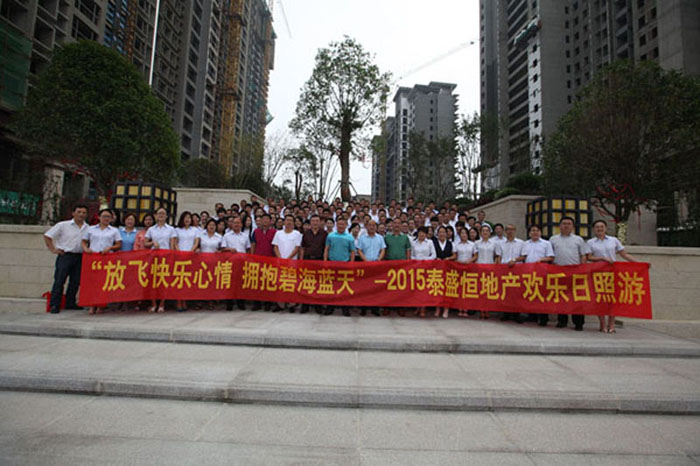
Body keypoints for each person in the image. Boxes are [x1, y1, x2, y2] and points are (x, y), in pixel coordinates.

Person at [587, 219, 638, 333]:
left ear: (606, 228)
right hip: (598, 273)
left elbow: (624, 254)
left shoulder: (613, 240)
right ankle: (602, 323)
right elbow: (589, 257)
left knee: (612, 299)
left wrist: (638, 263)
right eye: (597, 227)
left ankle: (611, 324)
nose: (599, 229)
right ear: (594, 229)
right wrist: (602, 258)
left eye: (602, 227)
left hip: (612, 273)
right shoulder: (590, 242)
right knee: (600, 299)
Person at [43, 204, 89, 314]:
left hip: (80, 257)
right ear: (73, 213)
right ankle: (55, 304)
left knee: (75, 281)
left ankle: (70, 302)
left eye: (84, 213)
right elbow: (47, 236)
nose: (81, 215)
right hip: (65, 255)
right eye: (79, 212)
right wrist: (53, 249)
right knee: (59, 280)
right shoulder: (63, 225)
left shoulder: (88, 228)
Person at [550, 216, 589, 331]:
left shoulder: (578, 239)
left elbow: (583, 255)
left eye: (569, 224)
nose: (566, 226)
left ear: (573, 226)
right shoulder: (553, 239)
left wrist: (582, 268)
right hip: (559, 271)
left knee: (577, 298)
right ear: (559, 226)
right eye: (564, 223)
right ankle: (562, 320)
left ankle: (578, 322)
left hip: (575, 272)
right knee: (561, 297)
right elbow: (550, 255)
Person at [81, 208, 122, 314]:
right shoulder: (91, 229)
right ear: (99, 217)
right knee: (92, 282)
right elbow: (84, 241)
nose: (106, 219)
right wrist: (86, 249)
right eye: (104, 216)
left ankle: (100, 305)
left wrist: (110, 248)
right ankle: (91, 305)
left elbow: (118, 244)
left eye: (108, 217)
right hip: (93, 258)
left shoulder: (114, 230)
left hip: (107, 258)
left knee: (103, 282)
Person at [521, 225, 555, 326]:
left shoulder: (546, 244)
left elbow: (551, 257)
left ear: (540, 232)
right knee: (531, 294)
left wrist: (541, 260)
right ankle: (532, 316)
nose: (535, 232)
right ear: (529, 233)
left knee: (542, 295)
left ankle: (544, 318)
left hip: (542, 273)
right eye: (533, 230)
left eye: (537, 230)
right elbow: (523, 257)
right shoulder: (525, 244)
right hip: (529, 273)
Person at [144, 206, 176, 313]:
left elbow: (172, 245)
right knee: (153, 281)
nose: (161, 215)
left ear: (166, 216)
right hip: (154, 257)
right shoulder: (151, 229)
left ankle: (162, 304)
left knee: (164, 281)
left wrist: (172, 257)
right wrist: (152, 243)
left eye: (163, 213)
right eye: (159, 213)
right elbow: (145, 243)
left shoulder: (171, 229)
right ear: (155, 216)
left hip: (165, 258)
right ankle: (153, 304)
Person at [323, 217, 356, 316]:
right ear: (336, 225)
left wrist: (351, 263)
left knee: (344, 287)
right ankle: (330, 307)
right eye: (339, 224)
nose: (341, 226)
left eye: (343, 224)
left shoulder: (350, 237)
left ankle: (345, 307)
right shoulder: (330, 236)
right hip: (332, 264)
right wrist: (325, 262)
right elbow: (327, 249)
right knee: (331, 286)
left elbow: (352, 251)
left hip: (345, 265)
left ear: (346, 225)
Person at [272, 215, 303, 312]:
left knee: (291, 283)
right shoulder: (278, 233)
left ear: (293, 223)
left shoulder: (297, 234)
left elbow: (297, 248)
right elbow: (275, 247)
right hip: (280, 262)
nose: (289, 222)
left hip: (292, 262)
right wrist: (280, 258)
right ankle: (280, 304)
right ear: (284, 222)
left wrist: (288, 259)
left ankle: (291, 304)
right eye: (287, 220)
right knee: (279, 283)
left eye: (291, 220)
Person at [222, 216, 252, 312]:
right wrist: (230, 249)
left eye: (238, 223)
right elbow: (222, 248)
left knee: (241, 283)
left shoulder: (245, 236)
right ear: (231, 224)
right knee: (229, 283)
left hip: (241, 263)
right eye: (235, 223)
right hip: (230, 263)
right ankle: (229, 303)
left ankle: (240, 303)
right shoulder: (226, 236)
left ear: (241, 225)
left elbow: (248, 249)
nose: (236, 225)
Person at [357, 220, 386, 317]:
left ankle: (375, 308)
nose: (372, 227)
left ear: (376, 227)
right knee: (364, 287)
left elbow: (383, 249)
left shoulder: (380, 238)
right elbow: (359, 250)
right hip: (365, 265)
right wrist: (365, 260)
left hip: (376, 265)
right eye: (370, 225)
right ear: (366, 226)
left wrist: (379, 260)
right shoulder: (362, 238)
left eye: (373, 225)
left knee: (376, 288)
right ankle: (363, 308)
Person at [300, 215, 328, 314]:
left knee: (318, 283)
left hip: (319, 260)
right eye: (313, 221)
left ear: (320, 222)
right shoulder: (306, 233)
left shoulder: (324, 234)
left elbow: (326, 248)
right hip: (307, 260)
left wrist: (325, 261)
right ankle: (305, 305)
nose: (315, 223)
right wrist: (301, 260)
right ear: (310, 223)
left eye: (317, 221)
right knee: (306, 283)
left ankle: (317, 305)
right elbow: (302, 248)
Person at [172, 211, 198, 312]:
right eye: (185, 217)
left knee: (188, 280)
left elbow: (196, 242)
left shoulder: (195, 230)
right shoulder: (177, 230)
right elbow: (175, 242)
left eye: (189, 218)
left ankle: (185, 300)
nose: (187, 220)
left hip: (190, 257)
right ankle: (179, 301)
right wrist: (179, 252)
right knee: (179, 280)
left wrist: (191, 251)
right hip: (179, 258)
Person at [499, 224, 526, 323]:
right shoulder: (501, 243)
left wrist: (514, 260)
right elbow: (498, 256)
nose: (510, 232)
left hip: (517, 270)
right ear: (505, 231)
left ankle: (516, 314)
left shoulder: (521, 243)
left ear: (515, 231)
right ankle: (506, 313)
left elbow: (523, 256)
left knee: (516, 293)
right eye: (508, 230)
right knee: (505, 292)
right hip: (504, 270)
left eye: (512, 230)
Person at [251, 213, 277, 311]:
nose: (265, 221)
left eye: (267, 219)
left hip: (270, 260)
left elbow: (275, 246)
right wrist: (252, 257)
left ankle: (267, 303)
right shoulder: (256, 232)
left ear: (271, 221)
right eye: (263, 219)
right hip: (258, 260)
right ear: (260, 221)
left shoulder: (274, 232)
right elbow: (253, 245)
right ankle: (257, 303)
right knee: (257, 282)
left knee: (268, 282)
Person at [475, 224, 501, 319]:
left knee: (488, 290)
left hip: (490, 269)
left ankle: (487, 309)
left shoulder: (494, 243)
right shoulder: (477, 243)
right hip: (479, 268)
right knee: (480, 290)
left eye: (487, 231)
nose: (485, 232)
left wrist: (496, 266)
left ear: (490, 233)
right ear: (480, 233)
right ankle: (481, 310)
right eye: (483, 231)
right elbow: (475, 256)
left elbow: (497, 255)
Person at [411, 226, 436, 318]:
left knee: (425, 289)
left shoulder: (430, 242)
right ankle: (418, 306)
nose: (422, 234)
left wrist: (425, 260)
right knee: (417, 288)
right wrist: (417, 261)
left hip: (427, 268)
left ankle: (423, 308)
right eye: (420, 232)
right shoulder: (413, 243)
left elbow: (434, 255)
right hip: (416, 268)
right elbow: (412, 255)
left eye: (424, 233)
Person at [453, 227, 478, 317]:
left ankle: (466, 308)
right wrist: (457, 262)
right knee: (460, 289)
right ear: (459, 235)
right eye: (462, 233)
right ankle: (460, 308)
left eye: (465, 233)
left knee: (468, 289)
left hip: (469, 268)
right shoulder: (456, 244)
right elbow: (455, 256)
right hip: (459, 268)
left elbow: (475, 256)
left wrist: (469, 260)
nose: (463, 235)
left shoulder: (472, 244)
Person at [432, 225, 455, 319]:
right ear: (437, 234)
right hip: (436, 270)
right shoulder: (434, 243)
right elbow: (432, 254)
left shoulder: (450, 243)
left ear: (446, 233)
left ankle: (446, 309)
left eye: (443, 232)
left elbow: (454, 255)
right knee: (438, 289)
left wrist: (449, 258)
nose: (442, 234)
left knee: (447, 290)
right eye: (440, 232)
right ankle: (438, 308)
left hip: (448, 270)